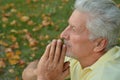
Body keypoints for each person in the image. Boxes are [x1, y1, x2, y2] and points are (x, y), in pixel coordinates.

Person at [22, 0, 120, 80]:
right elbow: (27, 74)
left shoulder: (108, 76)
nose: (63, 34)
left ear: (99, 44)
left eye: (74, 29)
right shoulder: (81, 55)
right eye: (69, 25)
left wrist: (44, 77)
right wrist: (40, 71)